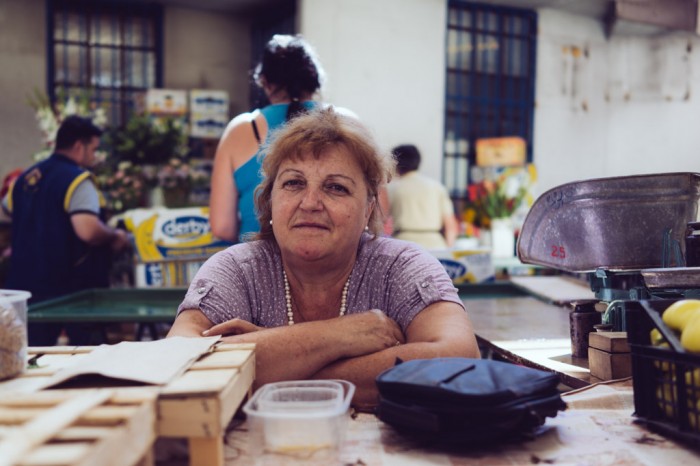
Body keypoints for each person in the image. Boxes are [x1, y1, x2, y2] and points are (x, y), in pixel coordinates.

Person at [168, 108, 479, 410]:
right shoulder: (236, 269)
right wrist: (344, 334)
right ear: (270, 200)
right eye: (294, 183)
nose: (311, 202)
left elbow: (459, 360)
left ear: (368, 209)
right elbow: (179, 362)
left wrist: (275, 364)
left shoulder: (400, 266)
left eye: (335, 187)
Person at [1, 115, 129, 345]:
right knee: (86, 353)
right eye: (93, 149)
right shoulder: (77, 180)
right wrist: (114, 236)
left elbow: (9, 209)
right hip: (69, 288)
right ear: (79, 146)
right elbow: (88, 230)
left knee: (32, 354)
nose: (94, 156)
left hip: (23, 282)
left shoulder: (25, 179)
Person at [209, 34, 326, 243]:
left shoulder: (241, 129)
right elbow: (378, 211)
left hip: (257, 264)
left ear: (264, 81)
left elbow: (222, 226)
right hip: (332, 265)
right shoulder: (346, 124)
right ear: (315, 79)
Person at [388, 144, 459, 250]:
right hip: (436, 244)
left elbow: (381, 221)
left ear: (396, 163)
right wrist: (447, 249)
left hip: (404, 244)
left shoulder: (392, 188)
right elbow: (450, 226)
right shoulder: (437, 187)